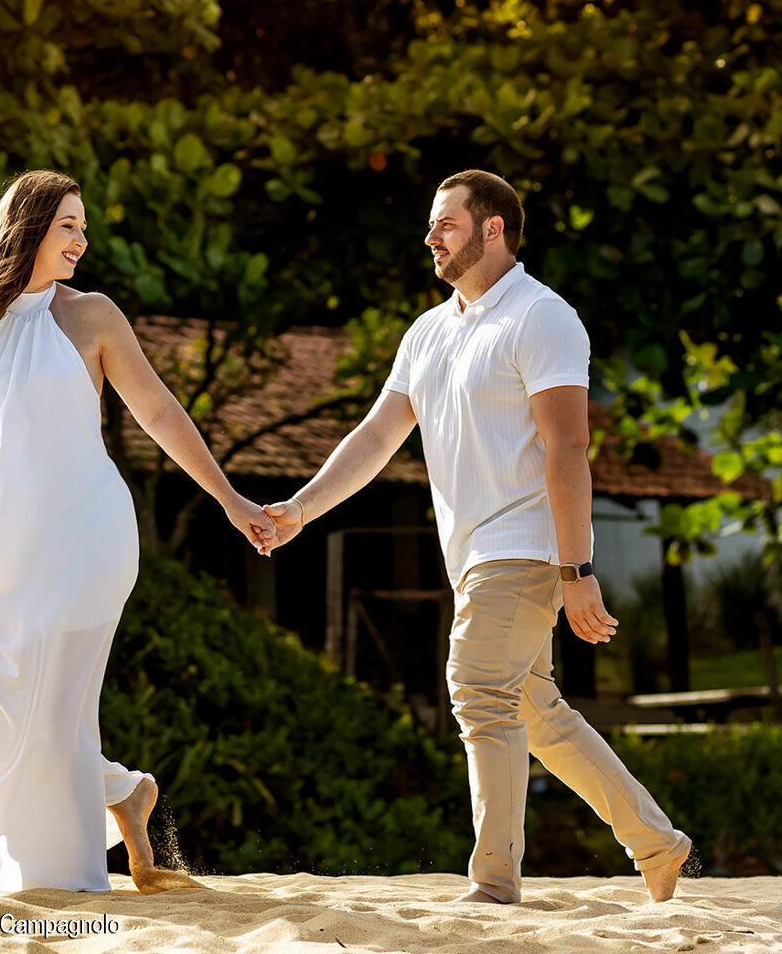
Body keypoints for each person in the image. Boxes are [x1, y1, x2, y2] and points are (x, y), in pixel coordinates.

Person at [258, 169, 692, 905]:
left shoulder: (540, 317)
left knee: (477, 692)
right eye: (431, 226)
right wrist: (301, 508)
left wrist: (575, 567)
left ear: (493, 229)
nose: (430, 237)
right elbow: (376, 435)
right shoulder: (428, 331)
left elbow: (567, 448)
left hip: (521, 547)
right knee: (537, 712)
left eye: (445, 224)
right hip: (470, 557)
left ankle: (493, 882)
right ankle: (656, 841)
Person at [0, 169, 277, 894]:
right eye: (68, 226)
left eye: (82, 227)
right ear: (29, 229)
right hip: (6, 542)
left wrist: (229, 499)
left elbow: (161, 413)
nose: (82, 239)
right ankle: (126, 792)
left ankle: (60, 882)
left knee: (53, 710)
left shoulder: (94, 316)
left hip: (88, 536)